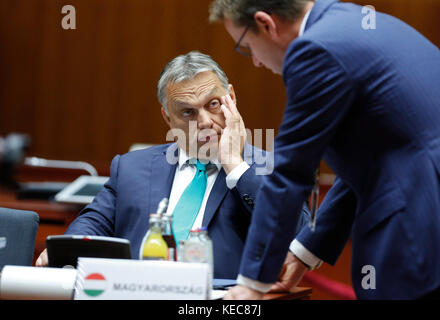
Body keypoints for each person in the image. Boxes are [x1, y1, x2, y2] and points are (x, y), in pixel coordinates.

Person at [209, 0, 440, 299]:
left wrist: (253, 283)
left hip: (416, 231)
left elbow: (289, 174)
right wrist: (305, 249)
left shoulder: (316, 50)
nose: (254, 60)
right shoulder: (361, 23)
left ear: (266, 24)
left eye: (246, 45)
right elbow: (377, 157)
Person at [36, 51, 310, 279]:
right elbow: (94, 223)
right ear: (168, 118)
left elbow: (295, 234)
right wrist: (62, 250)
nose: (204, 121)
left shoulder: (273, 167)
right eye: (188, 112)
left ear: (232, 98)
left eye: (213, 104)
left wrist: (235, 166)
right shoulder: (131, 167)